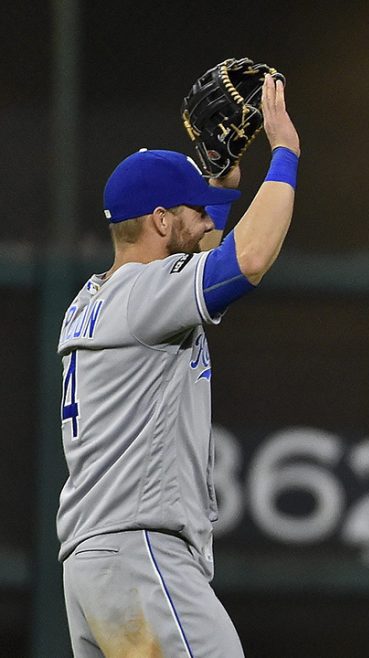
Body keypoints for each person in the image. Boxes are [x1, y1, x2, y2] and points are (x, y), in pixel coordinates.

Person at [56, 73, 300, 657]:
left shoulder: (93, 300)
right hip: (140, 550)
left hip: (91, 566)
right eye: (196, 209)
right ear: (162, 221)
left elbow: (204, 240)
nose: (211, 220)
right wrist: (285, 151)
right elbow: (249, 256)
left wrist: (216, 178)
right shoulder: (144, 294)